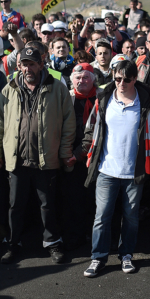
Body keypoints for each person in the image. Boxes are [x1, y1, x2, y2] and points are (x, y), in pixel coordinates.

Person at [0, 47, 76, 265]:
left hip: (45, 158)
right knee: (15, 205)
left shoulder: (57, 88)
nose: (28, 68)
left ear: (41, 64)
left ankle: (52, 243)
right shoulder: (9, 89)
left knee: (47, 204)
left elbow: (69, 123)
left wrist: (65, 153)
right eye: (24, 64)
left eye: (32, 63)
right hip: (16, 159)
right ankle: (13, 243)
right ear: (18, 66)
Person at [81, 60, 150, 277]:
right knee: (102, 217)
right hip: (106, 170)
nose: (121, 83)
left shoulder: (146, 102)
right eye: (117, 79)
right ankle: (98, 257)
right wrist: (84, 150)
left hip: (134, 172)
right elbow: (91, 129)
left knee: (131, 217)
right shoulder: (104, 98)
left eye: (126, 79)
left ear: (134, 79)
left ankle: (126, 255)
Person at [61, 64, 96, 250]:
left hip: (93, 158)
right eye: (77, 78)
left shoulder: (102, 98)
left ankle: (93, 233)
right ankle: (76, 235)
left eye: (85, 77)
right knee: (73, 198)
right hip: (71, 157)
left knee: (93, 198)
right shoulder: (66, 97)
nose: (81, 81)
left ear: (93, 80)